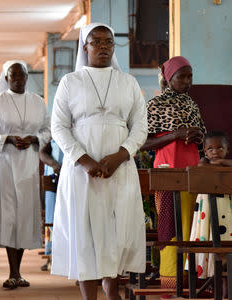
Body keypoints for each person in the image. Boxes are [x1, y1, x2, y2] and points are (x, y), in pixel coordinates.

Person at [50, 23, 148, 300]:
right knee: (84, 230)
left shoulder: (128, 82)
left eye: (109, 42)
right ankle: (88, 296)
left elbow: (140, 126)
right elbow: (58, 126)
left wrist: (120, 155)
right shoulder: (71, 82)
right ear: (85, 47)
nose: (103, 46)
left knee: (118, 228)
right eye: (97, 42)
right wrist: (84, 160)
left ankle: (112, 291)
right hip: (82, 168)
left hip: (120, 165)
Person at [0, 60, 51, 289]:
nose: (18, 79)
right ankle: (13, 272)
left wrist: (35, 138)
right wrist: (6, 139)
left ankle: (18, 272)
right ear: (6, 78)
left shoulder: (38, 102)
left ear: (27, 77)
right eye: (13, 76)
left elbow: (49, 130)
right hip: (5, 164)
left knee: (25, 217)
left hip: (28, 164)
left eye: (22, 75)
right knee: (9, 216)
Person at [141, 55, 206, 291]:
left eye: (190, 77)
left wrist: (198, 137)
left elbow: (204, 143)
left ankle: (193, 283)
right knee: (170, 229)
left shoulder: (192, 105)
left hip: (192, 173)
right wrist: (175, 135)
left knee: (193, 228)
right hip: (166, 173)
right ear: (169, 79)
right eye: (182, 77)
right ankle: (170, 284)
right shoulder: (154, 106)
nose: (187, 81)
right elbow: (141, 142)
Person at [189, 131, 231, 295]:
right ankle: (215, 285)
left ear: (226, 150)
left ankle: (225, 289)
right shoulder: (203, 163)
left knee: (226, 251)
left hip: (226, 212)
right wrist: (217, 163)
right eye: (210, 149)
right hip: (207, 212)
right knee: (212, 246)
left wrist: (223, 162)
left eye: (220, 148)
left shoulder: (227, 165)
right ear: (205, 151)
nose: (215, 152)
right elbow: (202, 167)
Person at [38, 139, 63, 271]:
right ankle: (51, 256)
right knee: (51, 219)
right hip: (53, 176)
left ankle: (68, 256)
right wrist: (53, 163)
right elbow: (42, 153)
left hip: (72, 177)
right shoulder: (55, 132)